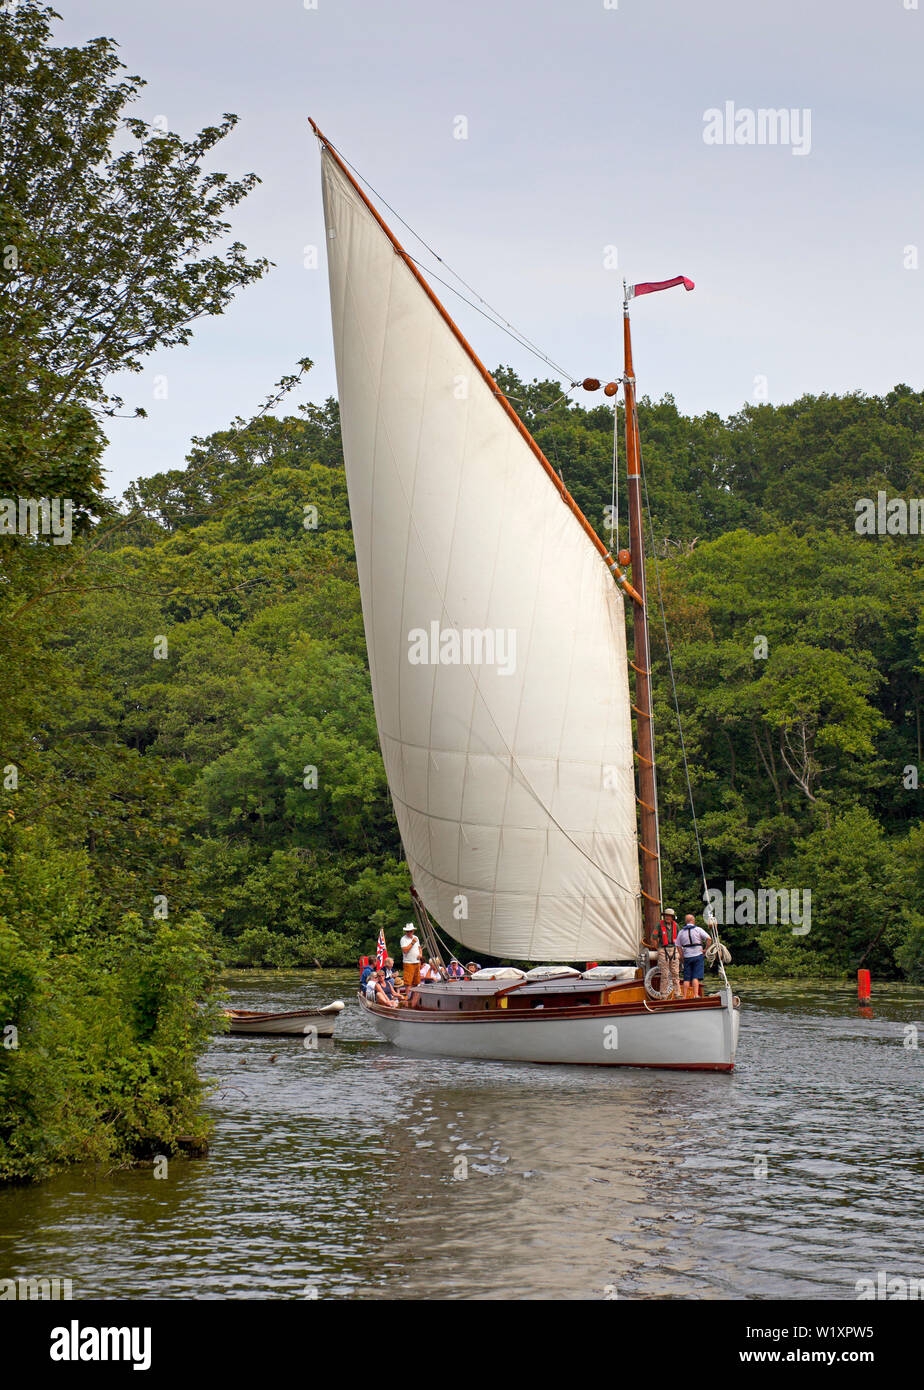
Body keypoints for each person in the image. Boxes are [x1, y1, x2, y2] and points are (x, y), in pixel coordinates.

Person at [678, 913, 713, 999]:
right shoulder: (698, 929)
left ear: (686, 922)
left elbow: (678, 946)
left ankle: (684, 996)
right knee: (695, 977)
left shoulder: (681, 932)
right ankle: (696, 995)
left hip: (687, 956)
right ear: (693, 921)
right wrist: (705, 949)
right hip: (698, 955)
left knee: (686, 978)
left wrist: (682, 956)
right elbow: (709, 939)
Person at [654, 907, 682, 1001]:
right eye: (666, 915)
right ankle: (663, 995)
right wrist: (658, 948)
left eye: (669, 916)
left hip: (674, 949)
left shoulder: (676, 926)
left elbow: (679, 939)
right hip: (663, 950)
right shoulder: (659, 925)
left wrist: (679, 951)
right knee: (664, 974)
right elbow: (653, 937)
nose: (667, 917)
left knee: (675, 973)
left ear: (672, 917)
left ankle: (678, 993)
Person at [400, 923, 422, 989]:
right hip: (408, 963)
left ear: (413, 931)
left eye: (410, 931)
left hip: (417, 962)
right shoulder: (403, 939)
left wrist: (420, 954)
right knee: (408, 983)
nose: (409, 932)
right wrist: (412, 943)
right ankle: (408, 998)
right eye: (407, 931)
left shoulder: (416, 938)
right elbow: (405, 950)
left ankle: (415, 998)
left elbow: (419, 948)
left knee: (417, 982)